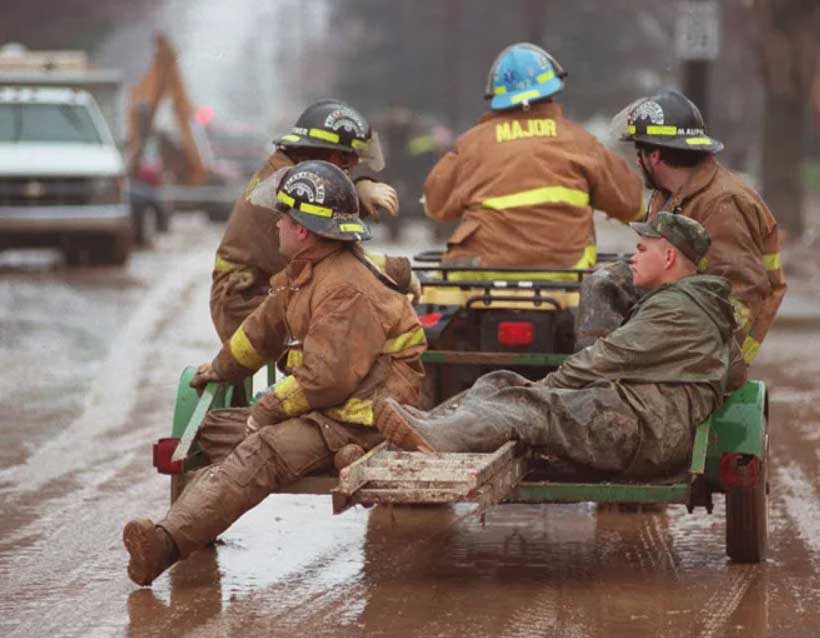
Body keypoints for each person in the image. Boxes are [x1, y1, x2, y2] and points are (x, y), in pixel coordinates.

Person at [123, 161, 427, 587]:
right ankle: (325, 462)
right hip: (334, 406)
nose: (276, 225)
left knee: (261, 450)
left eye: (283, 217)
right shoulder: (303, 273)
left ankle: (164, 543)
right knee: (211, 432)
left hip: (362, 413)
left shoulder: (343, 287)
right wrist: (221, 367)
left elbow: (326, 381)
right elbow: (260, 332)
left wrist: (266, 410)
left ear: (303, 230)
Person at [375, 213, 738, 478]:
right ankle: (434, 425)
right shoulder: (688, 302)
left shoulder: (679, 309)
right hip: (643, 414)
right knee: (500, 382)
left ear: (670, 257)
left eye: (642, 250)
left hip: (648, 431)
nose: (633, 257)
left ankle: (438, 437)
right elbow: (733, 371)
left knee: (528, 403)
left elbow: (603, 360)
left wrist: (540, 389)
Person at [576, 89, 786, 367]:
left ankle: (607, 379)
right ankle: (594, 374)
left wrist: (709, 365)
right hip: (680, 309)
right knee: (605, 283)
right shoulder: (668, 195)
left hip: (710, 345)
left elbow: (740, 298)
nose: (637, 161)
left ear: (655, 156)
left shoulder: (724, 205)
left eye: (639, 152)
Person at [422, 42, 643, 271]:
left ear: (498, 97)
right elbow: (632, 205)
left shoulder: (472, 144)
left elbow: (434, 206)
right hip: (565, 275)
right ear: (551, 93)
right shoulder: (581, 143)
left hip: (483, 276)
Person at [211, 98, 413, 342]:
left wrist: (358, 188)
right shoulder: (285, 184)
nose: (353, 165)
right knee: (355, 328)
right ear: (321, 151)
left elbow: (322, 212)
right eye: (346, 158)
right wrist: (397, 271)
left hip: (255, 290)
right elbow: (329, 253)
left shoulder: (290, 174)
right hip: (245, 299)